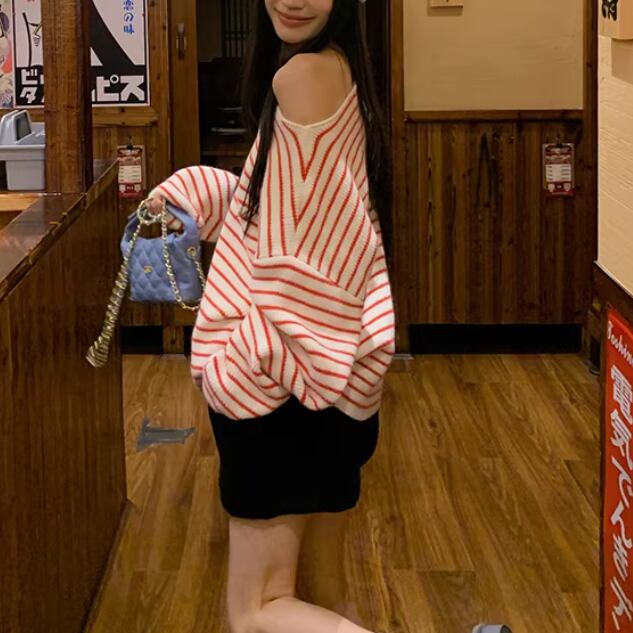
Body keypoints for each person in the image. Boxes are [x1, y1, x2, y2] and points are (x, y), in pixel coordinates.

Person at [145, 1, 396, 631]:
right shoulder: (338, 67)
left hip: (284, 389)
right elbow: (293, 213)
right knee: (323, 592)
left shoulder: (301, 76)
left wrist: (243, 366)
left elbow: (305, 266)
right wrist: (196, 194)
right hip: (341, 383)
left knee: (255, 611)